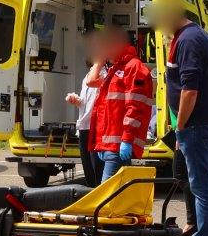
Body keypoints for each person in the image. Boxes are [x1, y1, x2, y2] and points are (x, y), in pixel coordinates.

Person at [148, 0, 208, 236]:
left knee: (201, 185)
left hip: (196, 124)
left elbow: (189, 90)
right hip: (204, 122)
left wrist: (180, 125)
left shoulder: (188, 41)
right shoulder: (195, 35)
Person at [87, 26, 154, 182]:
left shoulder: (134, 68)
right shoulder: (117, 68)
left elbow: (135, 108)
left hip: (117, 146)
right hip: (109, 146)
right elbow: (93, 85)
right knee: (114, 196)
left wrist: (127, 140)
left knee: (107, 196)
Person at [65, 32, 103, 186]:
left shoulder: (105, 73)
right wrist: (76, 100)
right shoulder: (87, 76)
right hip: (84, 127)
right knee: (88, 167)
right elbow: (86, 102)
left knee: (97, 168)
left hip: (96, 128)